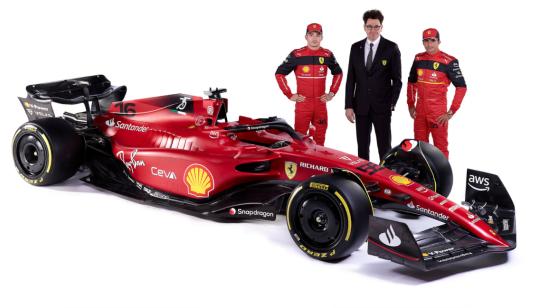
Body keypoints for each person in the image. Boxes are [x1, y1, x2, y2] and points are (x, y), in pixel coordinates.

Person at [345, 9, 402, 161]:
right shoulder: (355, 48)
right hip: (361, 106)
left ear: (381, 27)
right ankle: (364, 181)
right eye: (369, 26)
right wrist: (348, 105)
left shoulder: (391, 48)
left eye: (376, 26)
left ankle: (386, 180)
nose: (373, 30)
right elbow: (351, 78)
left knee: (384, 147)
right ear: (364, 27)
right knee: (362, 147)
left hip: (382, 106)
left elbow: (397, 80)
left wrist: (392, 103)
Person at [275, 23, 343, 146]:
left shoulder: (327, 54)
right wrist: (289, 94)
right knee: (299, 139)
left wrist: (332, 93)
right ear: (306, 36)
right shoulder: (296, 54)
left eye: (318, 35)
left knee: (320, 138)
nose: (314, 38)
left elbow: (338, 73)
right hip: (303, 103)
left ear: (322, 37)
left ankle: (319, 164)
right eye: (311, 35)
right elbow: (279, 74)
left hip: (320, 103)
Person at [407, 28, 467, 158]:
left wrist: (451, 111)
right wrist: (411, 105)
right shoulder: (418, 58)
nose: (429, 44)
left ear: (439, 41)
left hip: (438, 114)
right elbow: (411, 83)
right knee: (419, 148)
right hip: (420, 113)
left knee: (440, 149)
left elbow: (461, 87)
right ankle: (422, 177)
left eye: (432, 40)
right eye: (426, 41)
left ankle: (443, 178)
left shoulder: (449, 61)